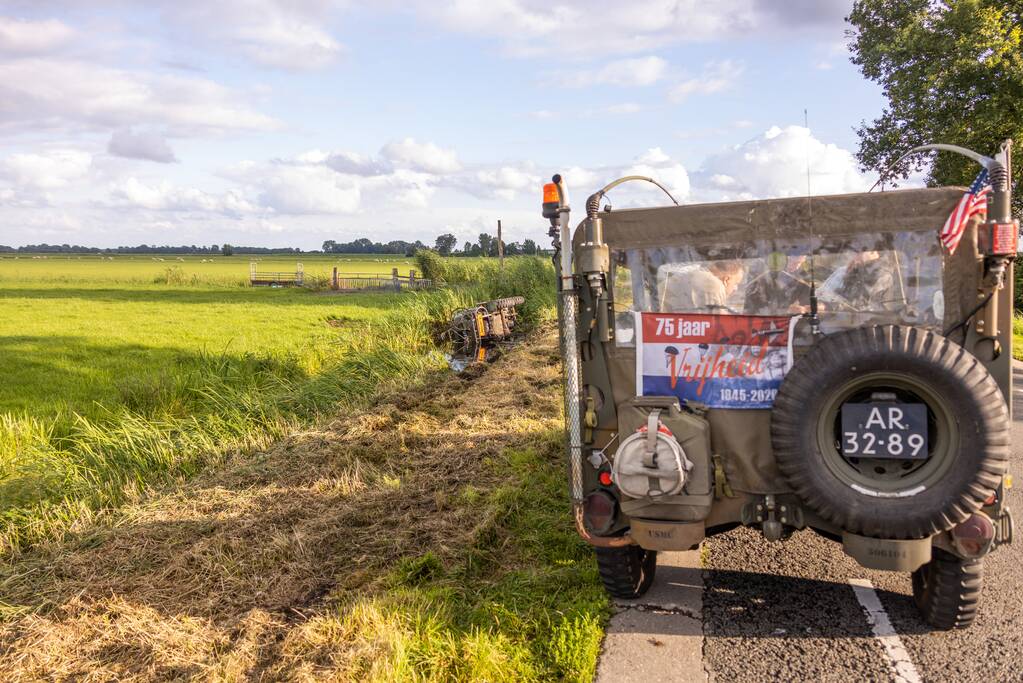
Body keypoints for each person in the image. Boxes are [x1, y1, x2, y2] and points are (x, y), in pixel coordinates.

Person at [659, 259, 745, 312]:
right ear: (727, 280)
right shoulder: (713, 284)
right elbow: (718, 324)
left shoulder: (679, 277)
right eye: (736, 283)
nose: (735, 288)